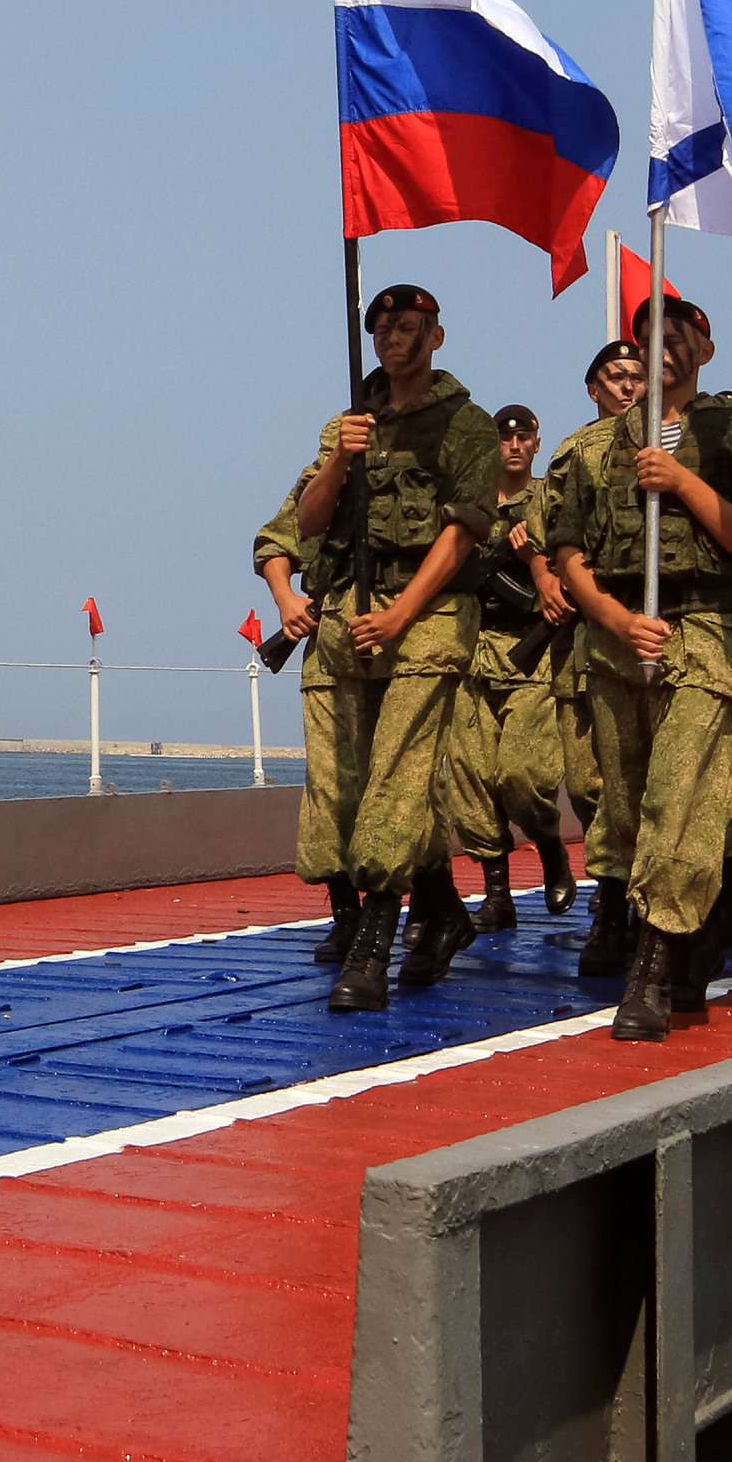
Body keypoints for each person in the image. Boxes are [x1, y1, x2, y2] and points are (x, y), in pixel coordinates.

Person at [547, 294, 732, 1040]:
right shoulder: (592, 448)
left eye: (682, 335)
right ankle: (692, 938)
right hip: (617, 635)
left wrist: (683, 482)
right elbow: (567, 551)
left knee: (676, 799)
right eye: (652, 335)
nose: (667, 347)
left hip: (705, 632)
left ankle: (649, 970)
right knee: (623, 808)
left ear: (706, 351)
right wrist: (612, 617)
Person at [266, 284, 502, 1012]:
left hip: (427, 614)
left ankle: (372, 948)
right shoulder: (349, 423)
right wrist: (341, 460)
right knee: (354, 784)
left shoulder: (467, 426)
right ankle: (445, 910)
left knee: (397, 775)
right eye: (382, 329)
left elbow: (463, 531)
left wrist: (401, 614)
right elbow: (306, 524)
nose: (392, 339)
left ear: (436, 336)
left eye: (407, 327)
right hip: (352, 615)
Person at [452, 404, 577, 931]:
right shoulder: (468, 504)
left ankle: (549, 847)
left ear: (536, 442)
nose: (514, 445)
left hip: (532, 650)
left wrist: (533, 562)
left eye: (524, 436)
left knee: (523, 774)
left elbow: (576, 565)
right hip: (472, 651)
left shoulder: (550, 501)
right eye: (505, 438)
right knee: (471, 778)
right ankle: (497, 893)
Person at [553, 338, 653, 970]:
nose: (627, 386)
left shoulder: (680, 442)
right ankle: (614, 899)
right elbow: (554, 537)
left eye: (637, 375)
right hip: (600, 632)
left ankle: (661, 908)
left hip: (670, 628)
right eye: (615, 377)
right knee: (604, 780)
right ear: (593, 389)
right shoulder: (576, 453)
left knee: (663, 780)